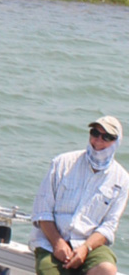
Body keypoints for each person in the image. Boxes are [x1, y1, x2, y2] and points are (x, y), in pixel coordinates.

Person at [29, 116, 129, 275]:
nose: (98, 140)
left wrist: (85, 248)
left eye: (107, 137)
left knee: (107, 269)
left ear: (117, 142)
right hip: (50, 243)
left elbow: (109, 226)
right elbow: (42, 211)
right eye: (95, 133)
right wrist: (58, 243)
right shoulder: (62, 163)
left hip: (89, 245)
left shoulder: (122, 180)